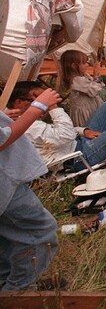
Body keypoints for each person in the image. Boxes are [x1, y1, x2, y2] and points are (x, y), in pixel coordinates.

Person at [10, 81, 106, 176]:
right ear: (18, 103)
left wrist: (83, 131)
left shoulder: (26, 122)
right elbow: (64, 135)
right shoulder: (28, 127)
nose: (42, 104)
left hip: (76, 143)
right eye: (37, 100)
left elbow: (61, 133)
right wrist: (53, 106)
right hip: (79, 157)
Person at [0, 87, 62, 291]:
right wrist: (38, 107)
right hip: (5, 185)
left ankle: (7, 282)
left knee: (10, 237)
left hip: (6, 180)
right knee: (40, 231)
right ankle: (18, 292)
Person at [60, 49, 105, 126]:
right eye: (84, 63)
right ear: (74, 66)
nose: (87, 65)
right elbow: (93, 90)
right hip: (85, 111)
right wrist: (96, 76)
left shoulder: (82, 76)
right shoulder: (76, 80)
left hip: (89, 107)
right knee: (89, 127)